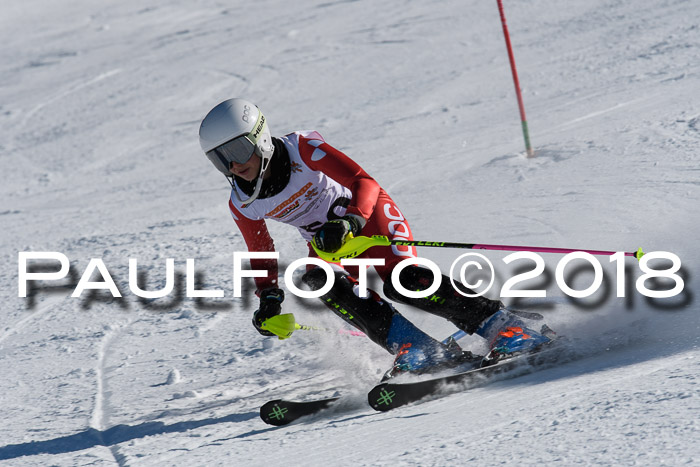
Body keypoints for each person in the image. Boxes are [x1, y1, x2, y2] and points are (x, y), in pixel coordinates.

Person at [198, 98, 552, 376]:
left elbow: (364, 183)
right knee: (316, 278)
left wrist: (352, 221)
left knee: (402, 281)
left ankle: (507, 327)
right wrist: (268, 301)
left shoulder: (302, 149)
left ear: (259, 137)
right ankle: (414, 346)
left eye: (238, 151)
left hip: (367, 217)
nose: (233, 166)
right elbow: (262, 253)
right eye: (220, 159)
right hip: (330, 243)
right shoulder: (243, 203)